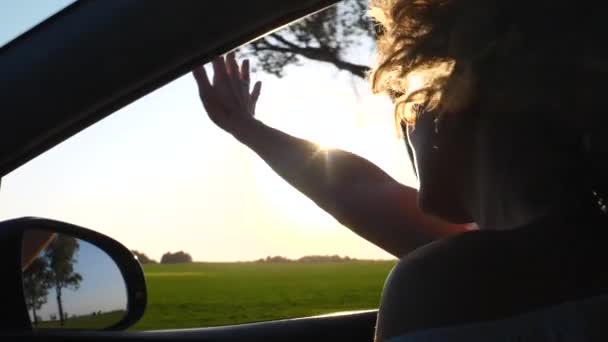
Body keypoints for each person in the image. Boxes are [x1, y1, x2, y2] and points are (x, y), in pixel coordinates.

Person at [193, 0, 608, 339]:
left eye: (409, 105)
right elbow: (363, 192)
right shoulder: (576, 252)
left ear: (449, 109)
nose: (405, 127)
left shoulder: (440, 287)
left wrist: (248, 130)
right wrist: (250, 129)